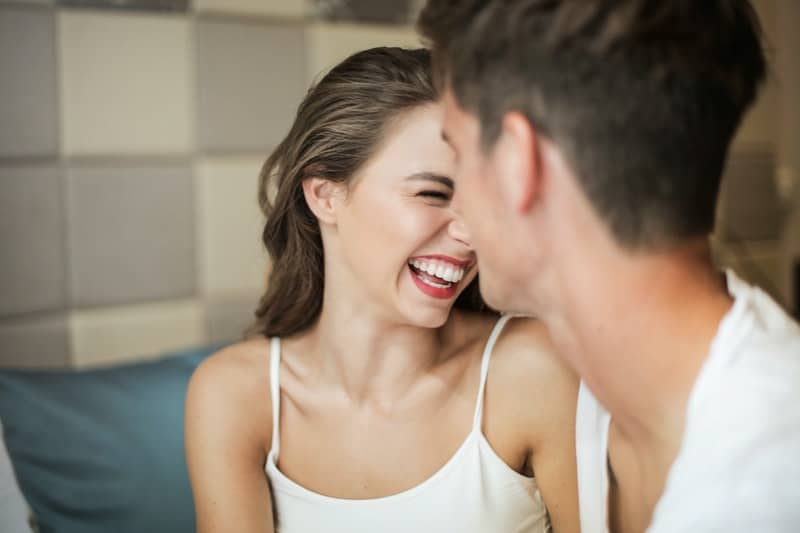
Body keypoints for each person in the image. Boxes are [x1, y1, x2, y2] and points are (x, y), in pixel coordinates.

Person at [417, 1, 800, 532]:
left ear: (515, 162)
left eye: (457, 157)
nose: (456, 211)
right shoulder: (594, 398)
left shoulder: (761, 489)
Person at [184, 47, 580, 533]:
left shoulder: (534, 371)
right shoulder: (234, 396)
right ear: (325, 195)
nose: (474, 234)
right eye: (432, 194)